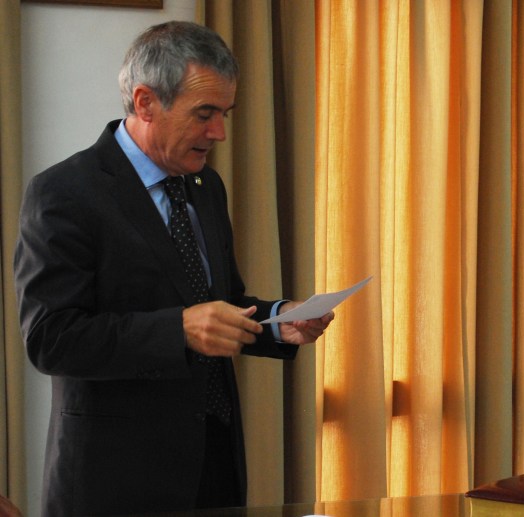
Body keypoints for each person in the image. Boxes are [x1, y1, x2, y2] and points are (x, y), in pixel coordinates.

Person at [14, 21, 333, 516]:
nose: (219, 133)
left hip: (215, 468)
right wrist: (178, 330)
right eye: (204, 114)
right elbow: (50, 339)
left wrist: (278, 321)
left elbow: (220, 304)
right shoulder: (64, 193)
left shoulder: (206, 186)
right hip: (115, 482)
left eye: (224, 114)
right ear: (145, 102)